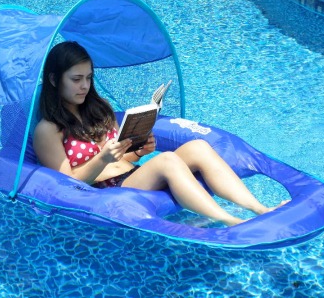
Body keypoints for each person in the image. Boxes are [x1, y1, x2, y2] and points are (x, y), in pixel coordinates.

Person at [33, 41, 287, 226]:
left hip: (130, 176)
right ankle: (231, 221)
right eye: (76, 79)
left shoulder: (99, 109)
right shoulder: (49, 129)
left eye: (88, 77)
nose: (85, 86)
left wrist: (138, 151)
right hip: (103, 191)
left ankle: (260, 209)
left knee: (198, 146)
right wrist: (103, 159)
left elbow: (124, 160)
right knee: (168, 160)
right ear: (55, 80)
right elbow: (67, 186)